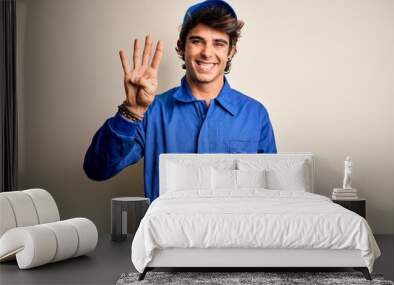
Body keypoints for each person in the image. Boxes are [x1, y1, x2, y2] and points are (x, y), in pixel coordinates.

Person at [83, 0, 277, 202]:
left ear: (231, 52)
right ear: (181, 46)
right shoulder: (151, 111)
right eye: (197, 41)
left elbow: (270, 193)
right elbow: (97, 169)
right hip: (167, 233)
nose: (207, 53)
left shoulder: (255, 114)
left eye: (218, 43)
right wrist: (131, 111)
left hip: (236, 233)